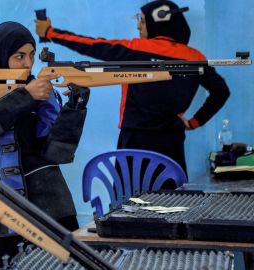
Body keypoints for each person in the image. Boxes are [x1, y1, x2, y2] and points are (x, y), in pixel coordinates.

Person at [35, 0, 230, 176]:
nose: (138, 26)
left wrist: (50, 33)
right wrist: (194, 122)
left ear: (158, 22)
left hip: (135, 139)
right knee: (174, 199)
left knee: (127, 200)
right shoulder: (194, 57)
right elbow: (221, 92)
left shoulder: (136, 48)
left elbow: (92, 45)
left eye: (142, 21)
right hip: (172, 140)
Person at [0, 21, 90, 270]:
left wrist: (76, 105)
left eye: (30, 55)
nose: (27, 63)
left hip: (48, 207)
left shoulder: (43, 90)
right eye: (19, 56)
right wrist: (26, 96)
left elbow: (56, 152)